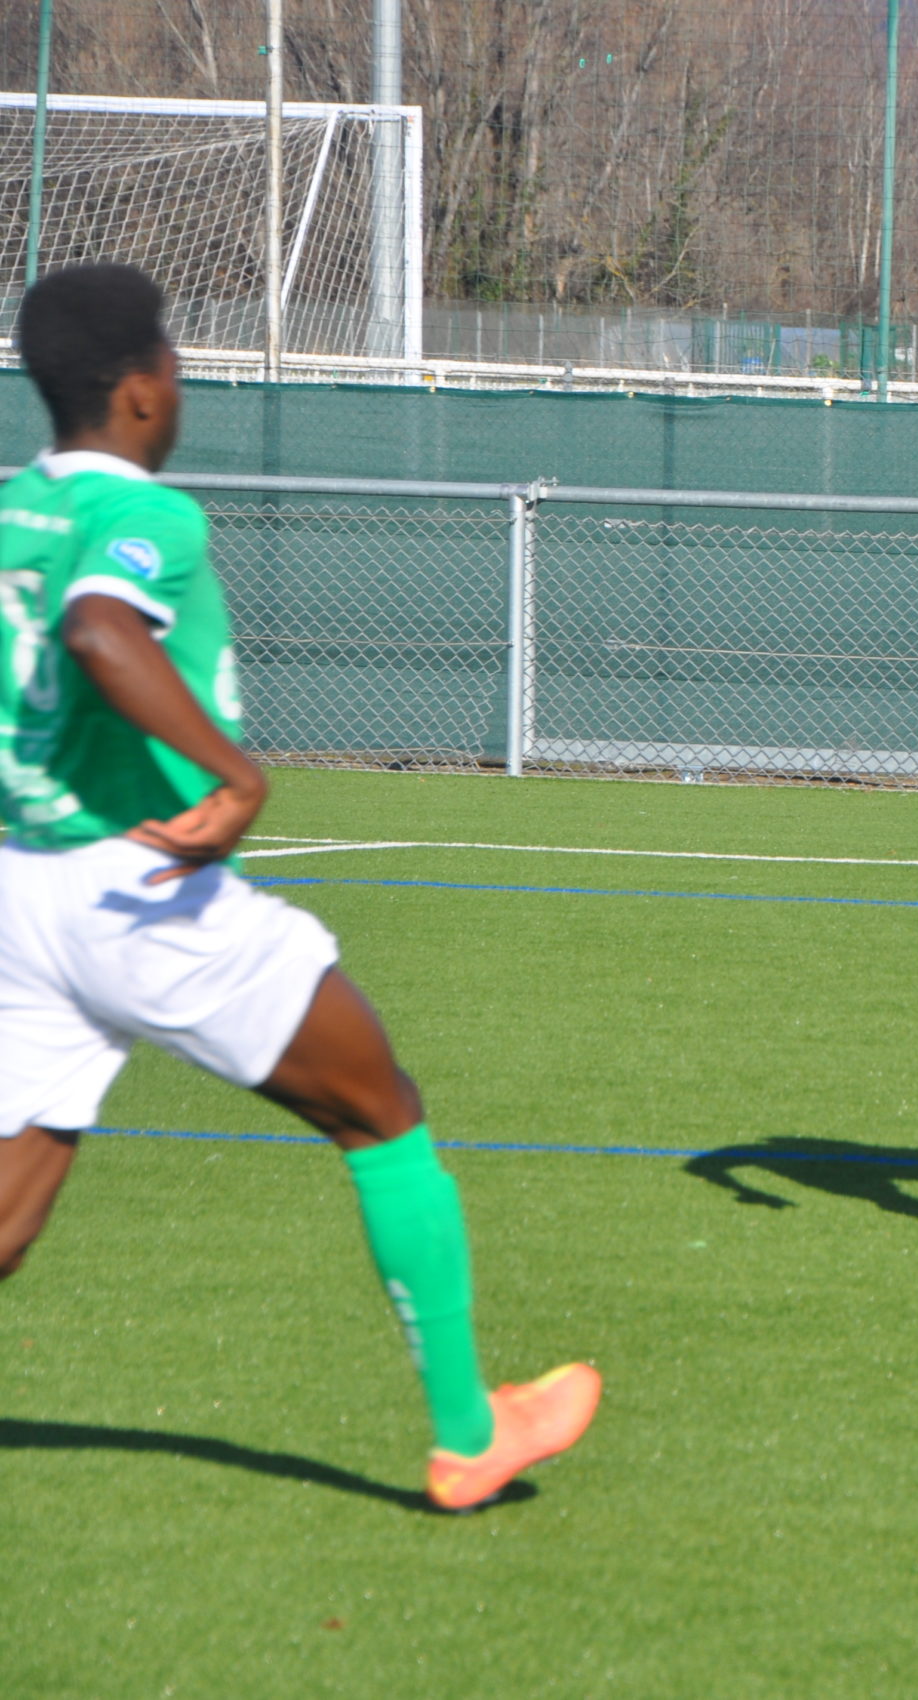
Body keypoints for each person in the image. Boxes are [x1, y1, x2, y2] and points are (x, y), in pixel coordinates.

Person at [0, 264, 600, 1507]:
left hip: (19, 891)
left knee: (10, 1214)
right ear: (136, 389)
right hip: (143, 886)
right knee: (382, 1109)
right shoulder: (149, 517)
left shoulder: (11, 514)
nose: (181, 377)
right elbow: (102, 631)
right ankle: (466, 1431)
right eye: (170, 355)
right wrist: (236, 773)